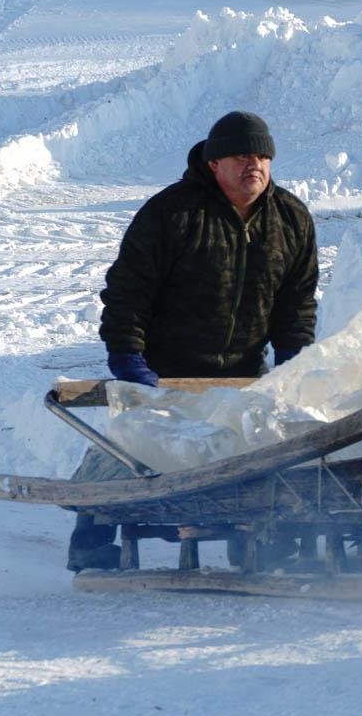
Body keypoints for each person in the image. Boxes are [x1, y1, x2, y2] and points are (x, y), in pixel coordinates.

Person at [66, 111, 319, 570]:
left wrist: (291, 358)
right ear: (213, 163)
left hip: (245, 369)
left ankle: (261, 535)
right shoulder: (172, 213)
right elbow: (128, 291)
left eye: (262, 155)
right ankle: (92, 534)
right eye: (242, 155)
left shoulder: (291, 219)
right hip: (166, 368)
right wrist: (129, 358)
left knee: (259, 452)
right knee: (134, 448)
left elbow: (296, 301)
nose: (254, 165)